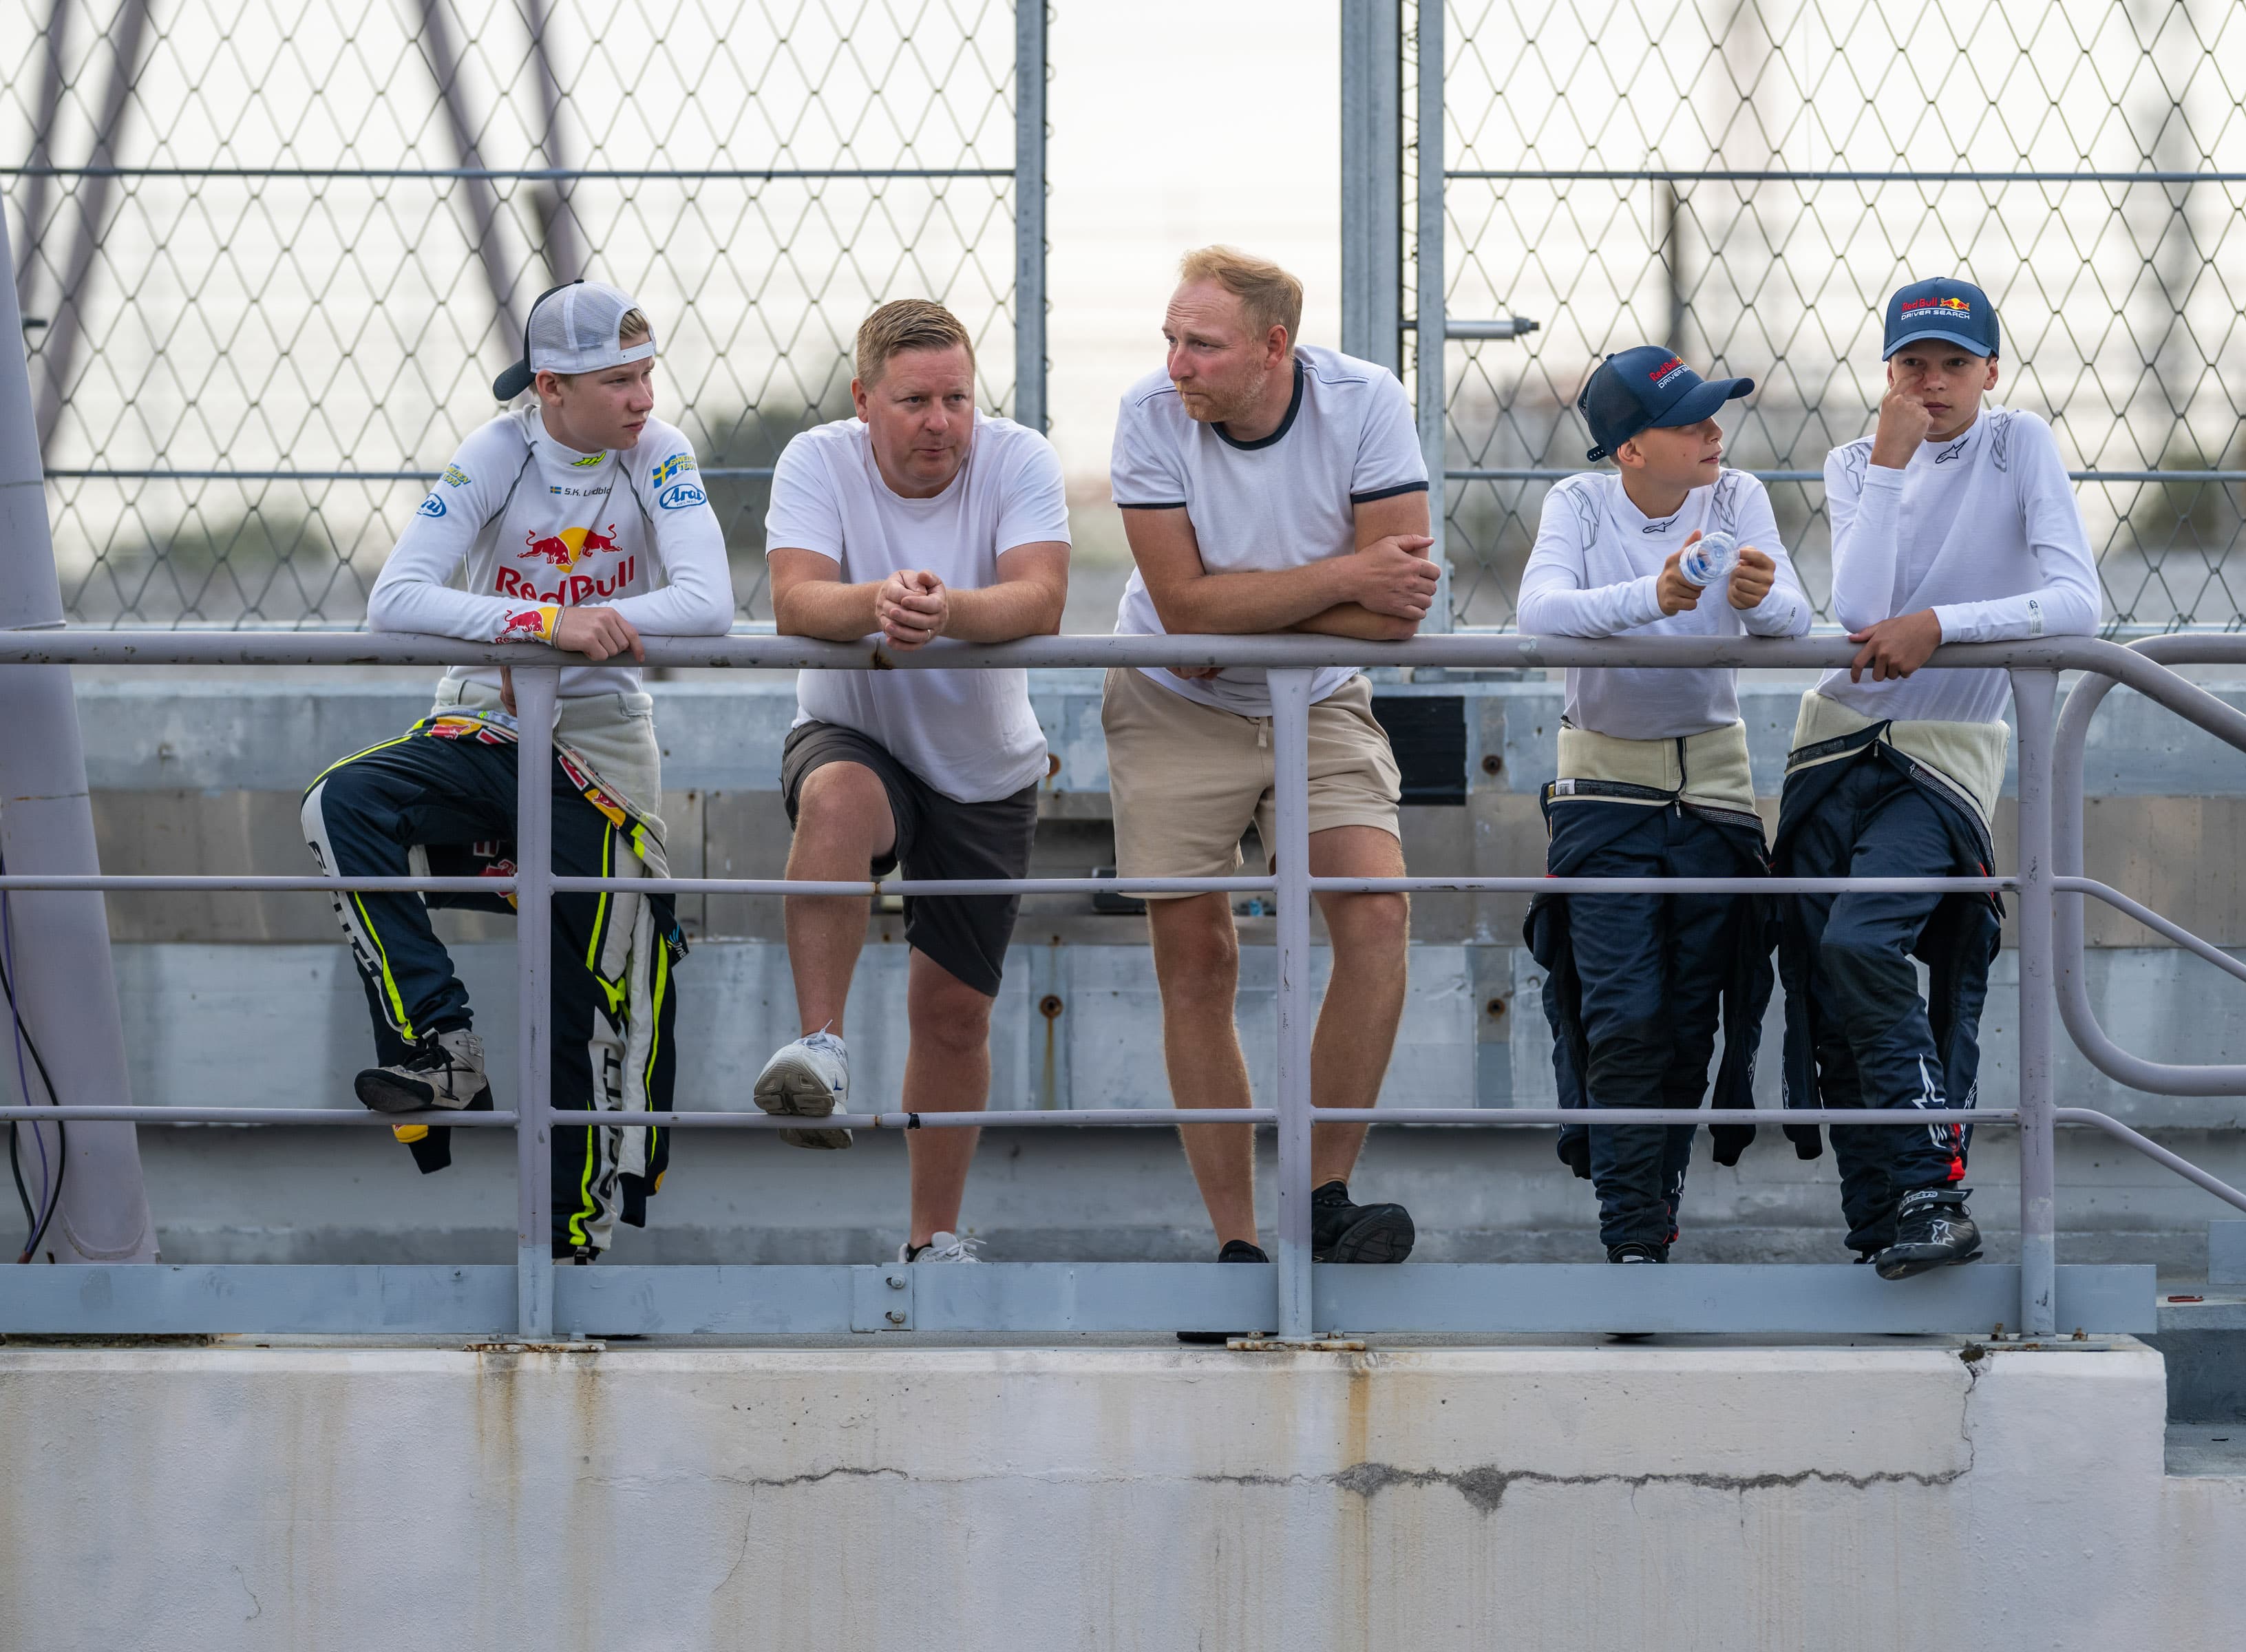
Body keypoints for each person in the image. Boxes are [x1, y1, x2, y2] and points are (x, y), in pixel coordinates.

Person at [300, 279, 732, 1260]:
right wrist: (545, 624)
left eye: (646, 373)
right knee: (342, 803)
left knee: (583, 1006)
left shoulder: (661, 455)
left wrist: (575, 639)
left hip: (603, 754)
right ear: (551, 388)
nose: (643, 398)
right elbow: (395, 599)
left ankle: (570, 1254)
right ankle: (438, 1047)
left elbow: (709, 604)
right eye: (619, 379)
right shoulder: (497, 450)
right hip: (483, 732)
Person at [1108, 245, 1433, 1294]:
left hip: (1323, 697)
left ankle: (1323, 1198)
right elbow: (1185, 611)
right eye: (1170, 338)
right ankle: (1239, 1242)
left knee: (1376, 912)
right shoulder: (1148, 417)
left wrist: (1245, 608)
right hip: (1176, 700)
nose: (1176, 365)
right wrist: (1343, 578)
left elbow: (1402, 612)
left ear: (1274, 349)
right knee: (1198, 963)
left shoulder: (1365, 402)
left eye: (1201, 344)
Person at [1777, 276, 2100, 1278]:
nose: (1933, 382)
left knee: (1869, 941)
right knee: (1827, 977)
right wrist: (1886, 463)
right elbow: (1861, 605)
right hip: (1834, 745)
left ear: (1991, 371)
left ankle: (1930, 1188)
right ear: (1887, 373)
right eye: (1913, 362)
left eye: (1955, 363)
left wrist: (1942, 629)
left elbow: (2077, 603)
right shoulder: (1855, 460)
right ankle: (1883, 1215)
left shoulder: (2019, 445)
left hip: (1941, 762)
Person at [750, 299, 1069, 1267]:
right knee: (838, 797)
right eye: (916, 400)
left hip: (986, 769)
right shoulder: (815, 459)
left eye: (958, 399)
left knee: (953, 1012)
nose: (941, 421)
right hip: (853, 725)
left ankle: (933, 1239)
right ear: (864, 401)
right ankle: (822, 1050)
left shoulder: (1020, 459)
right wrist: (876, 603)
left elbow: (1041, 597)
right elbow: (795, 598)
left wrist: (947, 607)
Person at [1516, 346, 1816, 1264]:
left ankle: (1652, 1209)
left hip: (1714, 788)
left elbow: (1796, 622)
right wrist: (1657, 594)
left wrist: (1761, 603)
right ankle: (1630, 1235)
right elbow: (1539, 612)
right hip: (1603, 789)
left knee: (1693, 1012)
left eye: (1712, 413)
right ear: (1630, 450)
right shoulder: (1577, 501)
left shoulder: (1738, 495)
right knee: (1620, 1012)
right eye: (1688, 420)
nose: (1712, 430)